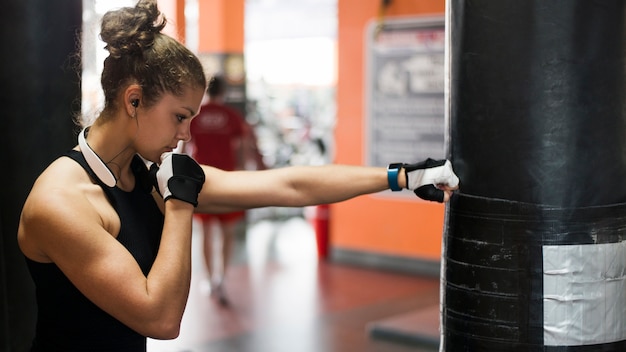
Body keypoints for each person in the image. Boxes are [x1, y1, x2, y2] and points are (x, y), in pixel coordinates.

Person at [16, 0, 460, 351]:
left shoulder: (142, 174)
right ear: (133, 101)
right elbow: (161, 319)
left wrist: (399, 176)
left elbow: (287, 185)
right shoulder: (62, 201)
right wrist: (180, 204)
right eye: (179, 117)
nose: (186, 133)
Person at [184, 75, 265, 306]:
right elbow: (241, 150)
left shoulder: (195, 116)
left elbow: (182, 150)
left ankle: (210, 279)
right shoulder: (232, 116)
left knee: (206, 233)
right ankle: (222, 277)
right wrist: (244, 172)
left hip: (202, 182)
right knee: (227, 232)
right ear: (224, 92)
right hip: (227, 181)